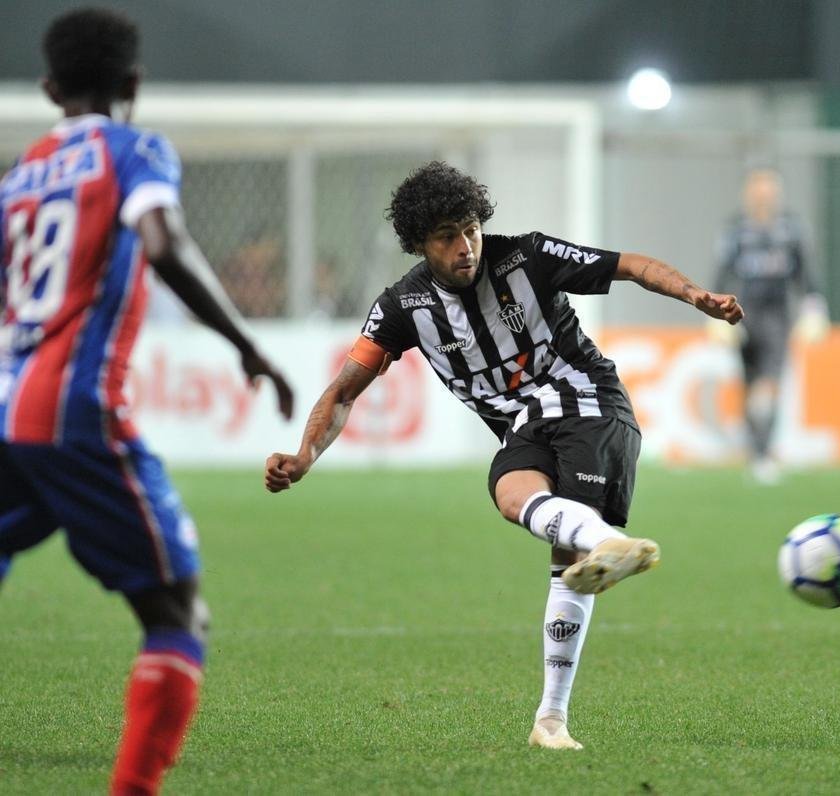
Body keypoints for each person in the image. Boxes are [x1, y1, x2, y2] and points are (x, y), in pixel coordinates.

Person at [264, 161, 743, 750]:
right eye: (446, 236)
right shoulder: (402, 306)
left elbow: (630, 266)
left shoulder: (527, 256)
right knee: (517, 500)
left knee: (567, 550)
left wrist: (694, 294)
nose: (465, 246)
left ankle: (591, 571)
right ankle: (551, 721)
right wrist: (306, 453)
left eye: (470, 229)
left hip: (589, 401)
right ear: (419, 243)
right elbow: (343, 390)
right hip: (526, 426)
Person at [0, 9, 294, 795]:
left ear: (49, 88)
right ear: (133, 84)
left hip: (4, 407)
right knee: (177, 612)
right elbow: (162, 242)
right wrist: (247, 343)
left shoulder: (21, 175)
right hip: (72, 411)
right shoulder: (134, 150)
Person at [713, 168, 826, 484]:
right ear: (748, 194)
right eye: (757, 190)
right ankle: (757, 451)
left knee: (769, 383)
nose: (763, 197)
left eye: (769, 191)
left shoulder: (791, 229)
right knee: (749, 384)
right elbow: (722, 272)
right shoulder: (735, 230)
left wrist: (814, 306)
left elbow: (806, 272)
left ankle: (764, 452)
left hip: (778, 315)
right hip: (742, 313)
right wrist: (715, 314)